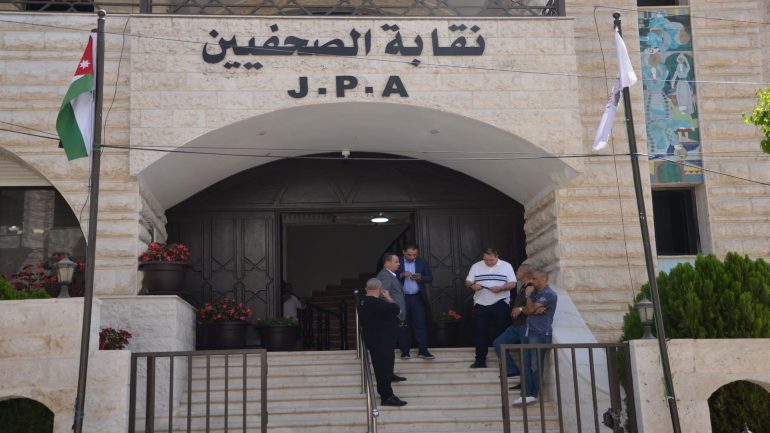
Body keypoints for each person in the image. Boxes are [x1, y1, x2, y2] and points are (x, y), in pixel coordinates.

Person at [358, 278, 408, 407]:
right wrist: (389, 297)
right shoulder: (379, 303)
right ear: (380, 290)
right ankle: (387, 396)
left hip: (375, 339)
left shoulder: (362, 302)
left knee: (386, 365)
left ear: (366, 289)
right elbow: (397, 309)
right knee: (382, 369)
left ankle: (390, 376)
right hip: (381, 341)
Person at [465, 247, 517, 368]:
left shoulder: (506, 266)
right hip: (480, 304)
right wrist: (472, 286)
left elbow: (513, 284)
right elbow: (468, 281)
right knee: (480, 333)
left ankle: (504, 363)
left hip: (501, 303)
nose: (488, 262)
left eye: (491, 260)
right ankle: (480, 360)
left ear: (497, 257)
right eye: (486, 260)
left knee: (502, 333)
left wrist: (501, 288)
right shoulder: (476, 266)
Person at [513, 269, 558, 406]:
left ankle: (533, 394)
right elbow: (528, 310)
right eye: (532, 279)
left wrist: (529, 300)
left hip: (540, 334)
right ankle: (526, 394)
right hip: (529, 331)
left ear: (544, 279)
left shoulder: (548, 294)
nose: (532, 281)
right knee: (525, 364)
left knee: (535, 365)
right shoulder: (535, 293)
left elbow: (530, 309)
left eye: (535, 279)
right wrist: (531, 308)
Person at [493, 263, 537, 378]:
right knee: (499, 343)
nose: (516, 273)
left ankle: (525, 383)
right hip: (516, 326)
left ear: (524, 273)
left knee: (526, 355)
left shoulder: (531, 287)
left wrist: (521, 309)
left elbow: (535, 306)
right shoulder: (523, 286)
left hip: (526, 325)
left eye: (518, 271)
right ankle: (512, 370)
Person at [397, 244, 435, 360]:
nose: (412, 257)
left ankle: (423, 351)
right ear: (403, 252)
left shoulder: (422, 262)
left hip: (417, 297)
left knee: (420, 324)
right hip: (402, 298)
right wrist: (401, 275)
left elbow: (430, 278)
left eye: (414, 255)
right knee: (403, 324)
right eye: (409, 254)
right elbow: (389, 277)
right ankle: (405, 352)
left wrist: (421, 277)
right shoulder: (396, 261)